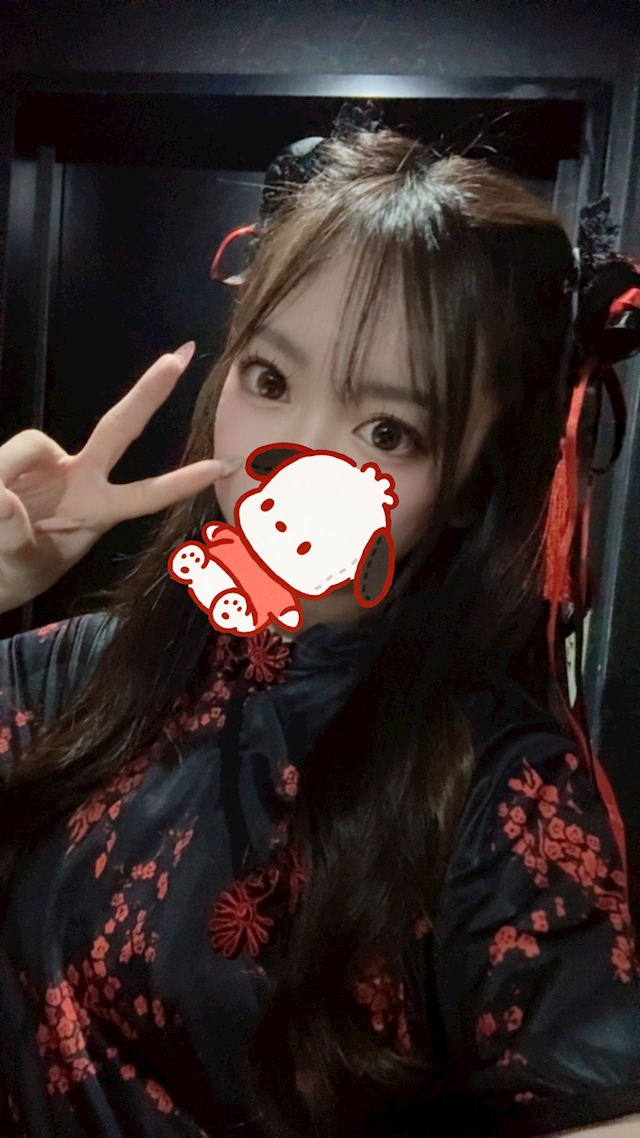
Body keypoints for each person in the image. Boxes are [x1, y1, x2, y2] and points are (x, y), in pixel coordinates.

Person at [0, 114, 639, 1138]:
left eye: (386, 429)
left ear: (468, 486)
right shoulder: (74, 676)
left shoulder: (501, 794)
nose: (294, 457)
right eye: (270, 380)